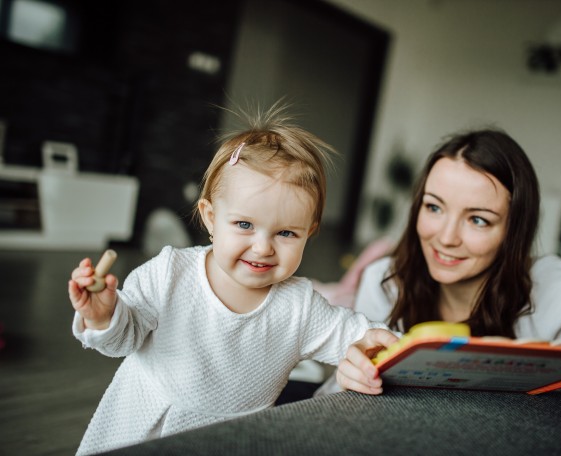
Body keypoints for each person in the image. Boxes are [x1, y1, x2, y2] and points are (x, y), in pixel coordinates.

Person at [67, 105, 391, 455]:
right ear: (210, 217)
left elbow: (358, 336)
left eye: (285, 232)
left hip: (234, 440)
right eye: (244, 225)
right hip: (140, 428)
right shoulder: (169, 273)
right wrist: (103, 316)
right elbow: (120, 341)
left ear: (308, 234)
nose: (263, 247)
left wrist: (386, 344)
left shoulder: (300, 307)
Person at [332, 128, 561, 442]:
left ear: (513, 231)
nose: (446, 237)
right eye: (434, 208)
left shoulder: (548, 284)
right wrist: (353, 373)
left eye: (478, 220)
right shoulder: (385, 279)